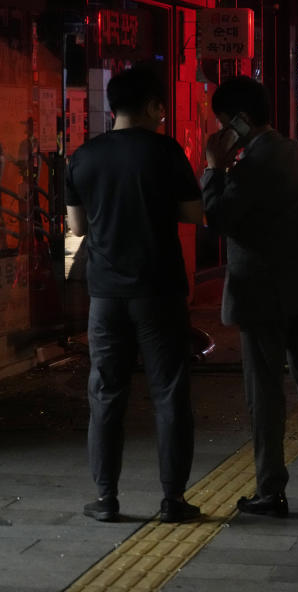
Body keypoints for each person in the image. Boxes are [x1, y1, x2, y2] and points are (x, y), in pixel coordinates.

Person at [201, 77, 298, 518]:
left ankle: (271, 489)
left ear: (239, 121)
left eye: (225, 123)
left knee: (264, 395)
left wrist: (213, 167)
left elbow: (218, 218)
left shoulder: (248, 168)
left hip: (262, 297)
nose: (223, 131)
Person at [65, 66, 203, 523]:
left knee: (106, 394)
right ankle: (173, 500)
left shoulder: (84, 156)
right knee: (169, 393)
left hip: (105, 294)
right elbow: (192, 214)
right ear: (149, 105)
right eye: (161, 105)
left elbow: (77, 228)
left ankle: (105, 499)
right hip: (158, 289)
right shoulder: (166, 151)